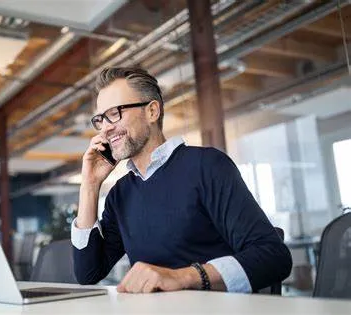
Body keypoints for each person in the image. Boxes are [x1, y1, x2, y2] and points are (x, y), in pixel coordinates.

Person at [71, 67, 292, 294]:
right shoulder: (120, 194)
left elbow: (273, 256)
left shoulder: (207, 166)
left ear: (152, 111)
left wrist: (182, 277)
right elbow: (88, 273)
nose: (106, 128)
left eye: (115, 113)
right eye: (100, 119)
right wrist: (89, 185)